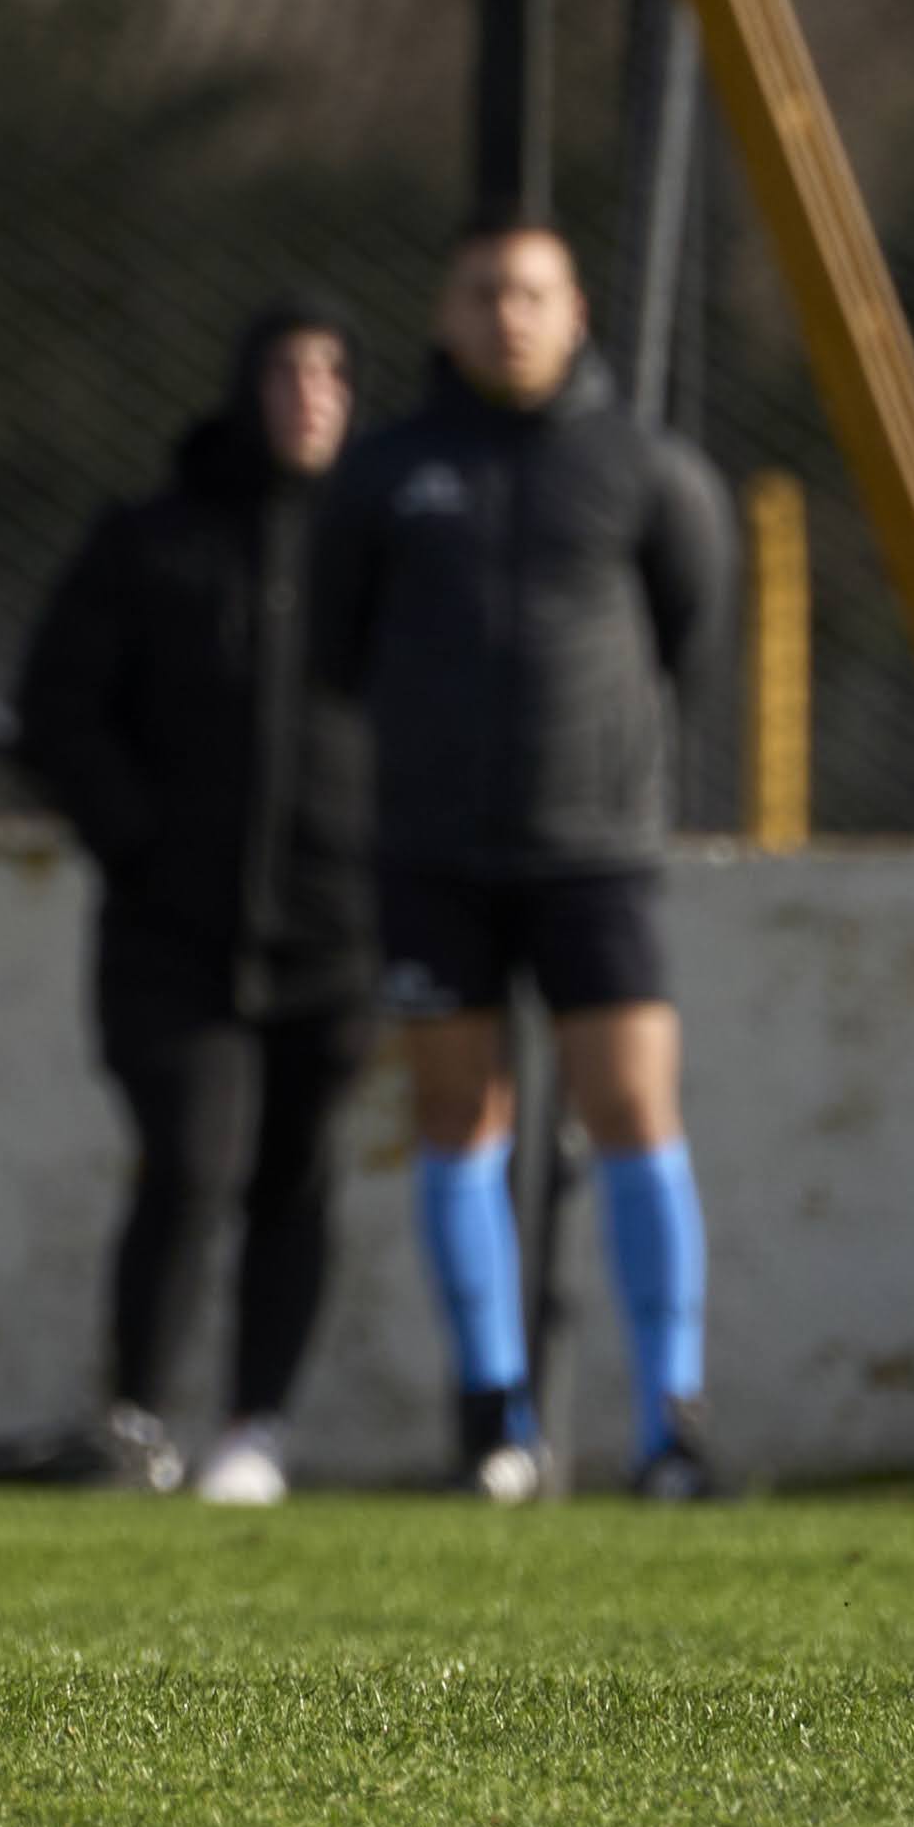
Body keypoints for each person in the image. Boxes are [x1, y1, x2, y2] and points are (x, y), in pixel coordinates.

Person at [312, 217, 731, 1501]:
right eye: (484, 292)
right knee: (457, 1117)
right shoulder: (384, 471)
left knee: (632, 1114)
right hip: (432, 855)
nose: (509, 314)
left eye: (533, 292)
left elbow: (689, 629)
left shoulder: (643, 467)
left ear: (577, 309)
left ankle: (667, 1425)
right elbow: (336, 643)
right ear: (445, 313)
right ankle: (493, 1420)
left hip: (593, 857)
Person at [18, 300, 373, 1508]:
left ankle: (252, 1430)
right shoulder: (150, 539)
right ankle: (136, 1418)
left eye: (331, 374)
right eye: (283, 370)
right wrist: (138, 840)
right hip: (173, 934)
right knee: (189, 1158)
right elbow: (56, 705)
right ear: (241, 386)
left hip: (337, 931)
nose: (308, 394)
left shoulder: (373, 547)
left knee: (297, 1170)